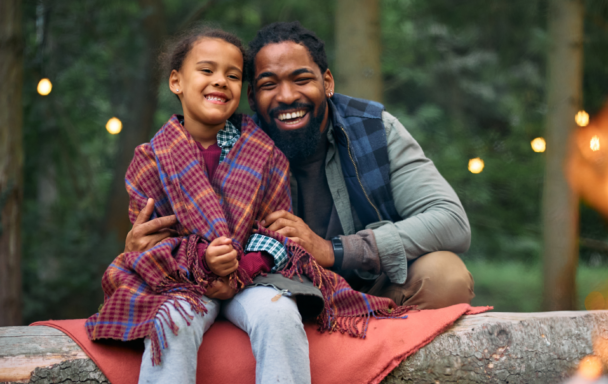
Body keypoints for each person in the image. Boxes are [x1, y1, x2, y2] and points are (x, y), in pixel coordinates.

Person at [88, 26, 406, 384]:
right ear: (176, 81)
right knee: (170, 321)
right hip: (183, 284)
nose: (220, 81)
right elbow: (151, 244)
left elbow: (277, 230)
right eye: (207, 71)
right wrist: (203, 264)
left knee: (280, 315)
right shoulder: (150, 159)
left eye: (233, 75)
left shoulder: (263, 152)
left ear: (243, 91)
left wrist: (240, 269)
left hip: (254, 278)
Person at [127, 21, 475, 310]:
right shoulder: (232, 142)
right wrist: (141, 250)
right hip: (269, 293)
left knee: (445, 275)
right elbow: (181, 219)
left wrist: (334, 250)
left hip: (368, 289)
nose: (287, 96)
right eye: (268, 84)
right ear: (252, 97)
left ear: (327, 83)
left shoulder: (374, 129)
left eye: (302, 79)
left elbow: (451, 221)